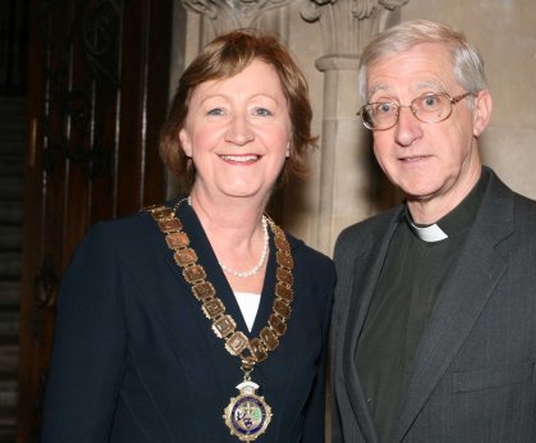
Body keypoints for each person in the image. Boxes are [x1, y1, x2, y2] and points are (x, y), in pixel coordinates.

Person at [331, 19, 536, 443]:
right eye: (385, 107)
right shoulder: (354, 250)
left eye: (429, 100)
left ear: (479, 112)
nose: (405, 131)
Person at [41, 29, 335, 442]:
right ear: (184, 136)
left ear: (291, 138)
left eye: (263, 111)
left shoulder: (316, 276)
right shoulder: (118, 256)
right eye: (216, 111)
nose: (240, 132)